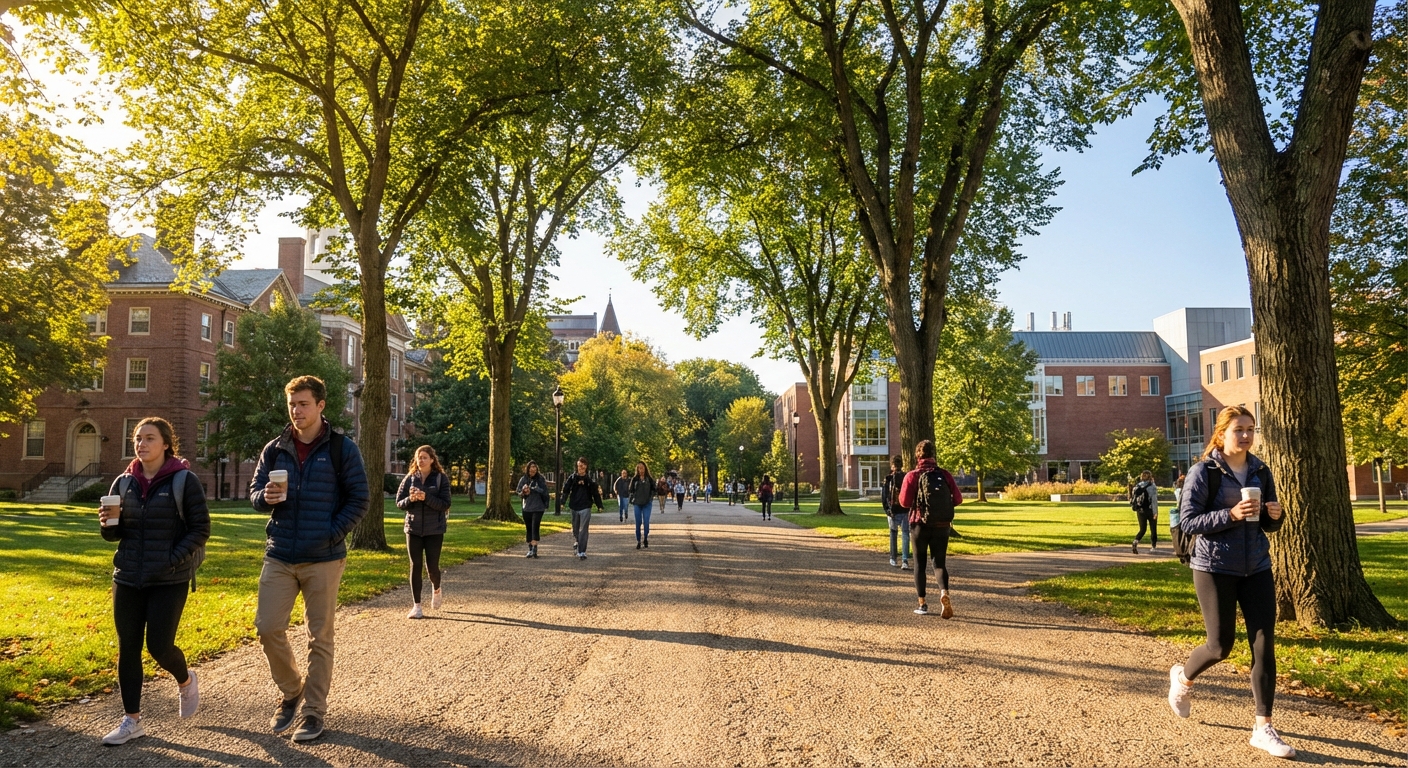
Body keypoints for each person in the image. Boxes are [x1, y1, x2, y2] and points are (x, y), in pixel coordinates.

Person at [1166, 406, 1292, 758]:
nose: (1247, 435)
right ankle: (1183, 679)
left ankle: (1263, 727)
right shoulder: (1204, 471)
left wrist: (1275, 516)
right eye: (1239, 429)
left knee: (1264, 645)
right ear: (1221, 434)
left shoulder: (1260, 470)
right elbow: (1189, 521)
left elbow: (1266, 524)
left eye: (1251, 428)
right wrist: (1231, 514)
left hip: (1257, 566)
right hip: (1213, 567)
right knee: (1220, 646)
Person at [250, 375, 370, 743]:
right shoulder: (275, 448)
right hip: (280, 553)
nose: (296, 410)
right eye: (292, 404)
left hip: (323, 557)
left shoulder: (341, 449)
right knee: (267, 627)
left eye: (303, 404)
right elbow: (254, 492)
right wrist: (264, 498)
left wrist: (331, 533)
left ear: (320, 405)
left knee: (320, 637)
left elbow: (359, 499)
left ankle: (314, 711)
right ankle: (292, 690)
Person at [97, 417, 210, 746]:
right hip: (128, 576)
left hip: (169, 579)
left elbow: (200, 529)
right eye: (137, 438)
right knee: (128, 647)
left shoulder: (184, 480)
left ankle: (185, 680)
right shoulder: (124, 482)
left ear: (166, 444)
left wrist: (172, 559)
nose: (141, 444)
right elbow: (114, 535)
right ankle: (131, 720)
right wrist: (106, 525)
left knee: (159, 647)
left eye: (149, 438)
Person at [898, 440, 963, 617]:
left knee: (920, 564)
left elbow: (904, 502)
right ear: (933, 455)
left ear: (917, 456)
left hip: (919, 524)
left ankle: (922, 603)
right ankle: (944, 593)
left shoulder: (912, 475)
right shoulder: (945, 474)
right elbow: (958, 499)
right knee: (939, 563)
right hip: (942, 525)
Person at [397, 446, 452, 619]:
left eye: (424, 457)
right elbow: (399, 502)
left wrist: (426, 497)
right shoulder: (410, 478)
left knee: (432, 567)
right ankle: (417, 606)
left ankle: (436, 588)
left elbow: (445, 504)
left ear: (432, 460)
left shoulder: (440, 478)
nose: (420, 460)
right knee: (415, 565)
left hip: (434, 530)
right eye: (418, 457)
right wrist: (411, 499)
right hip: (413, 529)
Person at [560, 458, 604, 559]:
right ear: (577, 466)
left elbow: (595, 493)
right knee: (575, 529)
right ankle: (577, 541)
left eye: (583, 465)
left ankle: (582, 551)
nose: (581, 467)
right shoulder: (572, 478)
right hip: (574, 506)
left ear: (586, 466)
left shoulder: (589, 480)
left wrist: (599, 505)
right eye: (579, 465)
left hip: (586, 506)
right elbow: (566, 490)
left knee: (584, 529)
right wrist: (562, 502)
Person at [881, 455, 911, 569]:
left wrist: (887, 510)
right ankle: (905, 560)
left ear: (892, 465)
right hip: (905, 509)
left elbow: (884, 496)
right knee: (905, 534)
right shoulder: (906, 477)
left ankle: (893, 558)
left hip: (893, 510)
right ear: (902, 465)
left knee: (893, 533)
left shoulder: (888, 478)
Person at [517, 461, 550, 557]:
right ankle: (530, 548)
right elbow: (518, 491)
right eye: (531, 467)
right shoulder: (524, 479)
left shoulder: (540, 479)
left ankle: (534, 548)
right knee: (529, 527)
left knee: (535, 526)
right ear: (528, 469)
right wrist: (524, 492)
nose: (533, 469)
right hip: (527, 507)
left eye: (535, 467)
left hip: (538, 507)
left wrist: (536, 489)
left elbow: (544, 491)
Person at [1131, 470, 1159, 554]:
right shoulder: (1152, 486)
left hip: (1140, 511)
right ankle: (1153, 546)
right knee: (1153, 529)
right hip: (1150, 510)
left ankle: (1135, 541)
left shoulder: (1137, 486)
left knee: (1142, 529)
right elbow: (1154, 501)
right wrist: (1155, 512)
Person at [629, 462, 656, 548]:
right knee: (638, 522)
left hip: (647, 503)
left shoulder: (649, 479)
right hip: (637, 503)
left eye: (642, 468)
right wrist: (633, 497)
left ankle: (645, 537)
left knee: (646, 521)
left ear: (645, 468)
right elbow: (631, 490)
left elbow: (654, 489)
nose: (641, 470)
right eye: (639, 468)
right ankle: (638, 540)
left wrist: (650, 497)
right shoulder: (635, 479)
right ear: (637, 469)